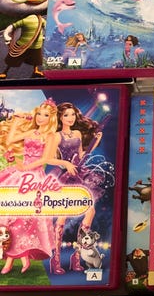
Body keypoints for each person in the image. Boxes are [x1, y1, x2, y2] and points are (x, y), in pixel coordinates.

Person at [0, 100, 61, 274]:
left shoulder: (51, 136)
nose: (41, 117)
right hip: (20, 174)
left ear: (51, 118)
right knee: (12, 215)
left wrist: (25, 168)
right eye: (39, 114)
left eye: (45, 115)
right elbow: (11, 139)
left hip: (34, 177)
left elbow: (46, 159)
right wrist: (17, 121)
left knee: (26, 218)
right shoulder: (32, 131)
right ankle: (17, 258)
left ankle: (16, 259)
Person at [50, 102, 103, 274]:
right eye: (66, 115)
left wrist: (96, 141)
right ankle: (56, 259)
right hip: (65, 175)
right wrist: (65, 163)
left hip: (79, 173)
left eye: (73, 114)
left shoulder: (78, 133)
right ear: (60, 117)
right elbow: (49, 158)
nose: (70, 118)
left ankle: (77, 256)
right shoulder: (56, 136)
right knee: (63, 216)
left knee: (90, 211)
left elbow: (81, 155)